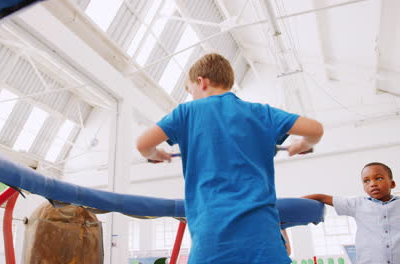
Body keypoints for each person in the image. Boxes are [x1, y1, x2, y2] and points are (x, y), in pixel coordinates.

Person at [136, 53, 323, 263]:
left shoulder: (186, 112)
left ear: (202, 82)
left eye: (191, 91)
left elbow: (143, 145)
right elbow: (315, 130)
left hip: (212, 237)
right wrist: (301, 145)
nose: (192, 97)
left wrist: (156, 154)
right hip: (262, 237)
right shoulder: (261, 112)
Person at [302, 162, 399, 264]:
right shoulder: (357, 204)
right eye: (366, 181)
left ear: (392, 184)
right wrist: (293, 205)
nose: (372, 184)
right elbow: (321, 197)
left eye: (379, 178)